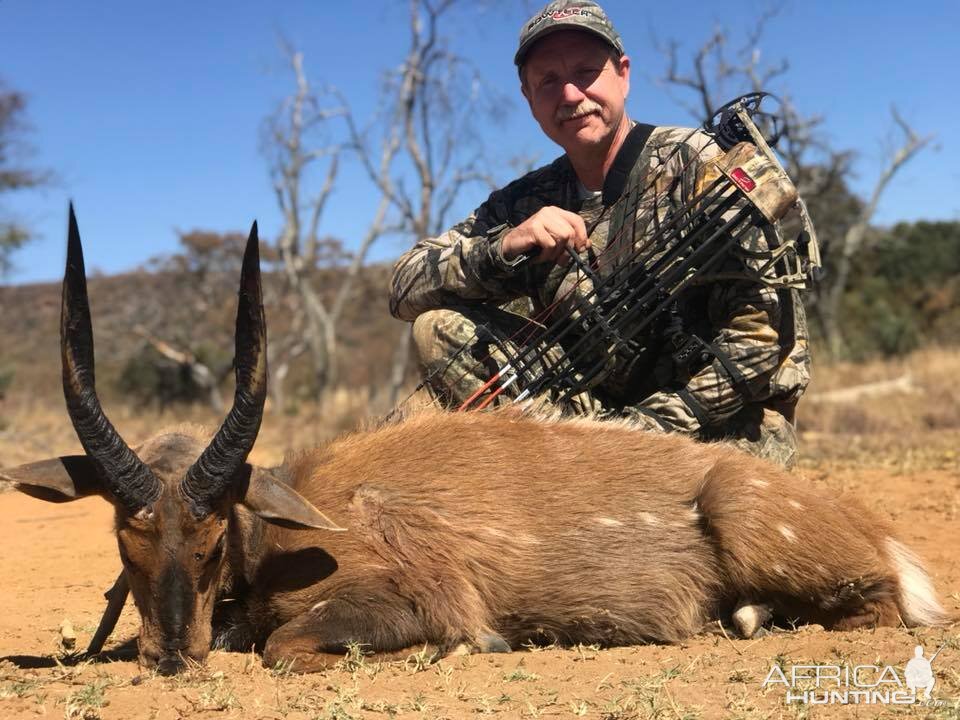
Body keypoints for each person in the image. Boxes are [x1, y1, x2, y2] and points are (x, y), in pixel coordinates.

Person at [388, 0, 812, 468]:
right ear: (529, 97)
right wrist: (502, 249)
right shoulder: (524, 201)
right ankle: (566, 470)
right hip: (586, 419)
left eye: (586, 71)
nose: (570, 94)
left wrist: (643, 434)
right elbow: (404, 288)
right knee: (437, 332)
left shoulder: (700, 162)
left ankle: (582, 473)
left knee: (723, 493)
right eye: (547, 81)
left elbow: (762, 336)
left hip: (707, 423)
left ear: (623, 75)